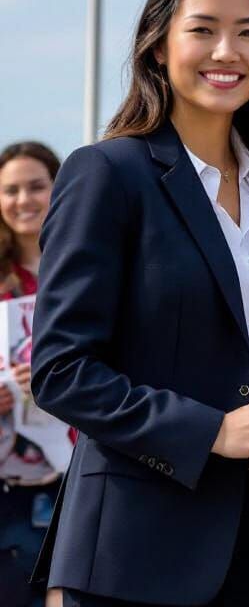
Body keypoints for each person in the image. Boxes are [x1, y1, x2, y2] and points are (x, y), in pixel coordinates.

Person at [30, 0, 249, 607]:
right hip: (133, 555)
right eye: (204, 30)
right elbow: (62, 370)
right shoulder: (109, 174)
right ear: (159, 47)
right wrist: (212, 431)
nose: (228, 52)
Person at [0, 141, 63, 607]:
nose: (24, 200)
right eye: (10, 190)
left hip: (79, 480)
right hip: (10, 491)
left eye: (36, 187)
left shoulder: (89, 267)